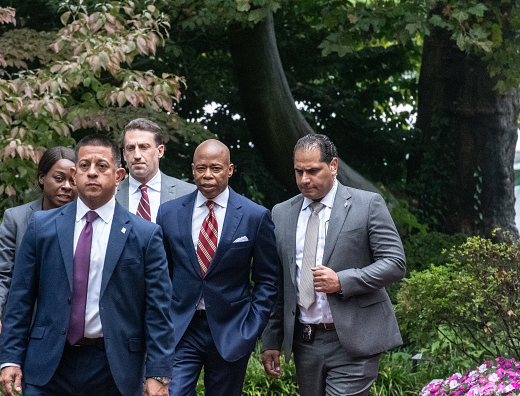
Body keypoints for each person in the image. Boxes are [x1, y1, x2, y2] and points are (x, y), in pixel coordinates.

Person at [0, 135, 174, 396]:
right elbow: (20, 298)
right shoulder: (42, 227)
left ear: (119, 175)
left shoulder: (145, 235)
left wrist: (158, 373)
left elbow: (158, 309)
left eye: (102, 166)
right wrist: (10, 358)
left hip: (114, 369)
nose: (92, 173)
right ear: (74, 172)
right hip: (47, 365)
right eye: (84, 165)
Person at [261, 134, 406, 396]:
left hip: (354, 338)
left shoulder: (367, 204)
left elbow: (395, 263)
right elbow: (279, 281)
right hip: (306, 341)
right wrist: (272, 339)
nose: (305, 179)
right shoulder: (281, 213)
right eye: (299, 171)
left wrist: (342, 281)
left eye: (313, 170)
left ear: (334, 166)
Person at [156, 139, 279, 396]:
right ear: (192, 169)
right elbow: (161, 275)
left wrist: (251, 328)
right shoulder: (168, 213)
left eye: (215, 168)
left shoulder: (254, 215)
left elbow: (268, 280)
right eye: (201, 168)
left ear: (230, 170)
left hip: (232, 331)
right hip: (182, 329)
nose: (207, 175)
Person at [0, 146, 77, 349]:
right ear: (42, 178)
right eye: (59, 178)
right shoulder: (16, 219)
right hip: (30, 333)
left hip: (77, 335)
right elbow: (0, 273)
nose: (67, 186)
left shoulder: (88, 221)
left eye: (73, 180)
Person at [116, 118, 195, 221]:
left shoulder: (188, 193)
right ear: (124, 155)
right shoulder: (110, 195)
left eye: (144, 147)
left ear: (160, 151)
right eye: (130, 148)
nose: (137, 155)